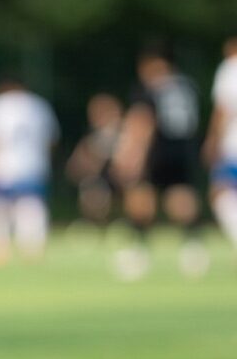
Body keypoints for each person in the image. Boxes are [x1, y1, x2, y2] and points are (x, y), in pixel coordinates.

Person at [112, 44, 207, 278]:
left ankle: (139, 249)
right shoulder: (187, 86)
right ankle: (193, 247)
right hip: (183, 148)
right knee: (181, 194)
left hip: (157, 149)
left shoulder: (150, 87)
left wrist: (133, 155)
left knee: (140, 195)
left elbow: (142, 122)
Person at [0, 77, 59, 265]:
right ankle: (32, 249)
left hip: (1, 164)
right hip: (32, 164)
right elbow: (51, 140)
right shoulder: (39, 105)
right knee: (31, 207)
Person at [65, 94, 123, 227]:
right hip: (99, 180)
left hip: (123, 179)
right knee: (92, 187)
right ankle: (96, 224)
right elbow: (75, 165)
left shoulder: (126, 132)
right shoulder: (92, 137)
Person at [202, 37, 237, 252]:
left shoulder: (231, 69)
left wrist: (212, 140)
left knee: (219, 192)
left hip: (233, 144)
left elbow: (223, 109)